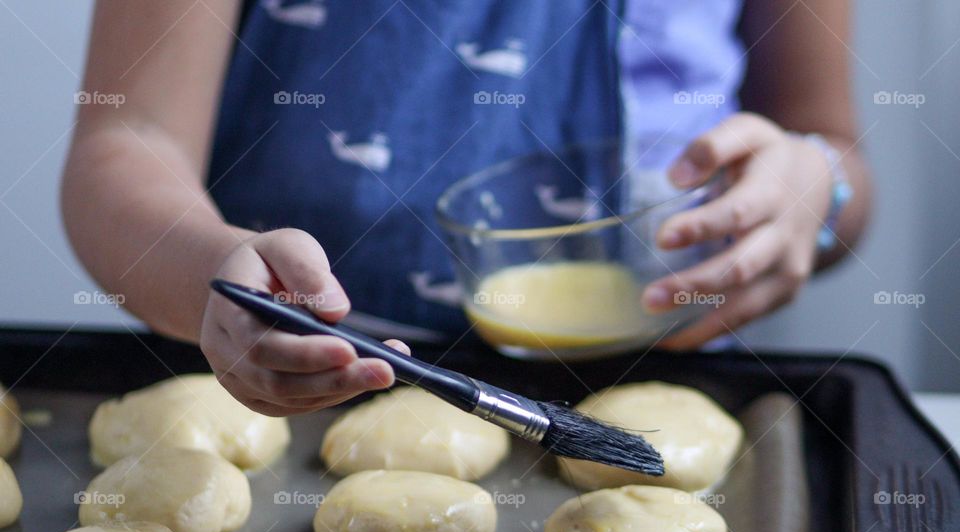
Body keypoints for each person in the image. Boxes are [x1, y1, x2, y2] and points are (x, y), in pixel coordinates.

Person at [62, 0, 870, 416]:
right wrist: (214, 274)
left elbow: (836, 153)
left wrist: (814, 190)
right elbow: (126, 144)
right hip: (280, 386)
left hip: (664, 392)